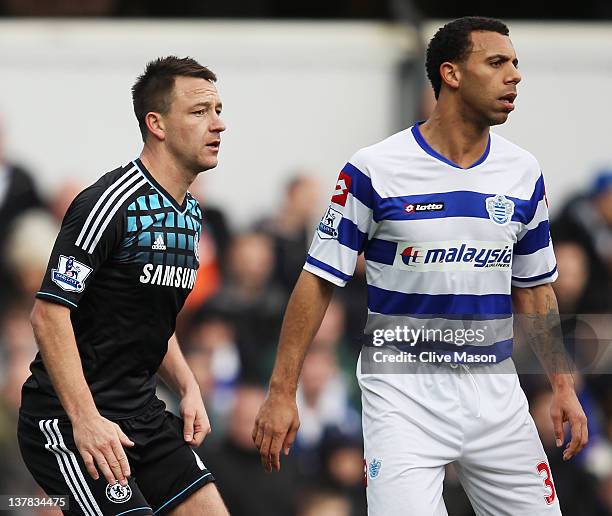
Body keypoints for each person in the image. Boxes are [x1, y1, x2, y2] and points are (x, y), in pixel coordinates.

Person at [253, 17, 588, 515]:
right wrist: (282, 392)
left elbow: (536, 290)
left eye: (516, 64)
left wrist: (562, 384)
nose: (514, 75)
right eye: (497, 63)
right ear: (450, 74)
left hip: (496, 393)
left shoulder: (523, 173)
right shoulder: (374, 168)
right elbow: (317, 279)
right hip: (403, 394)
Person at [17, 56, 229, 515]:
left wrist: (188, 386)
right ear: (157, 124)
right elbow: (49, 314)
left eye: (217, 109)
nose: (218, 124)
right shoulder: (110, 202)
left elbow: (148, 319)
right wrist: (86, 419)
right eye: (199, 112)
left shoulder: (189, 216)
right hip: (67, 419)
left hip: (141, 413)